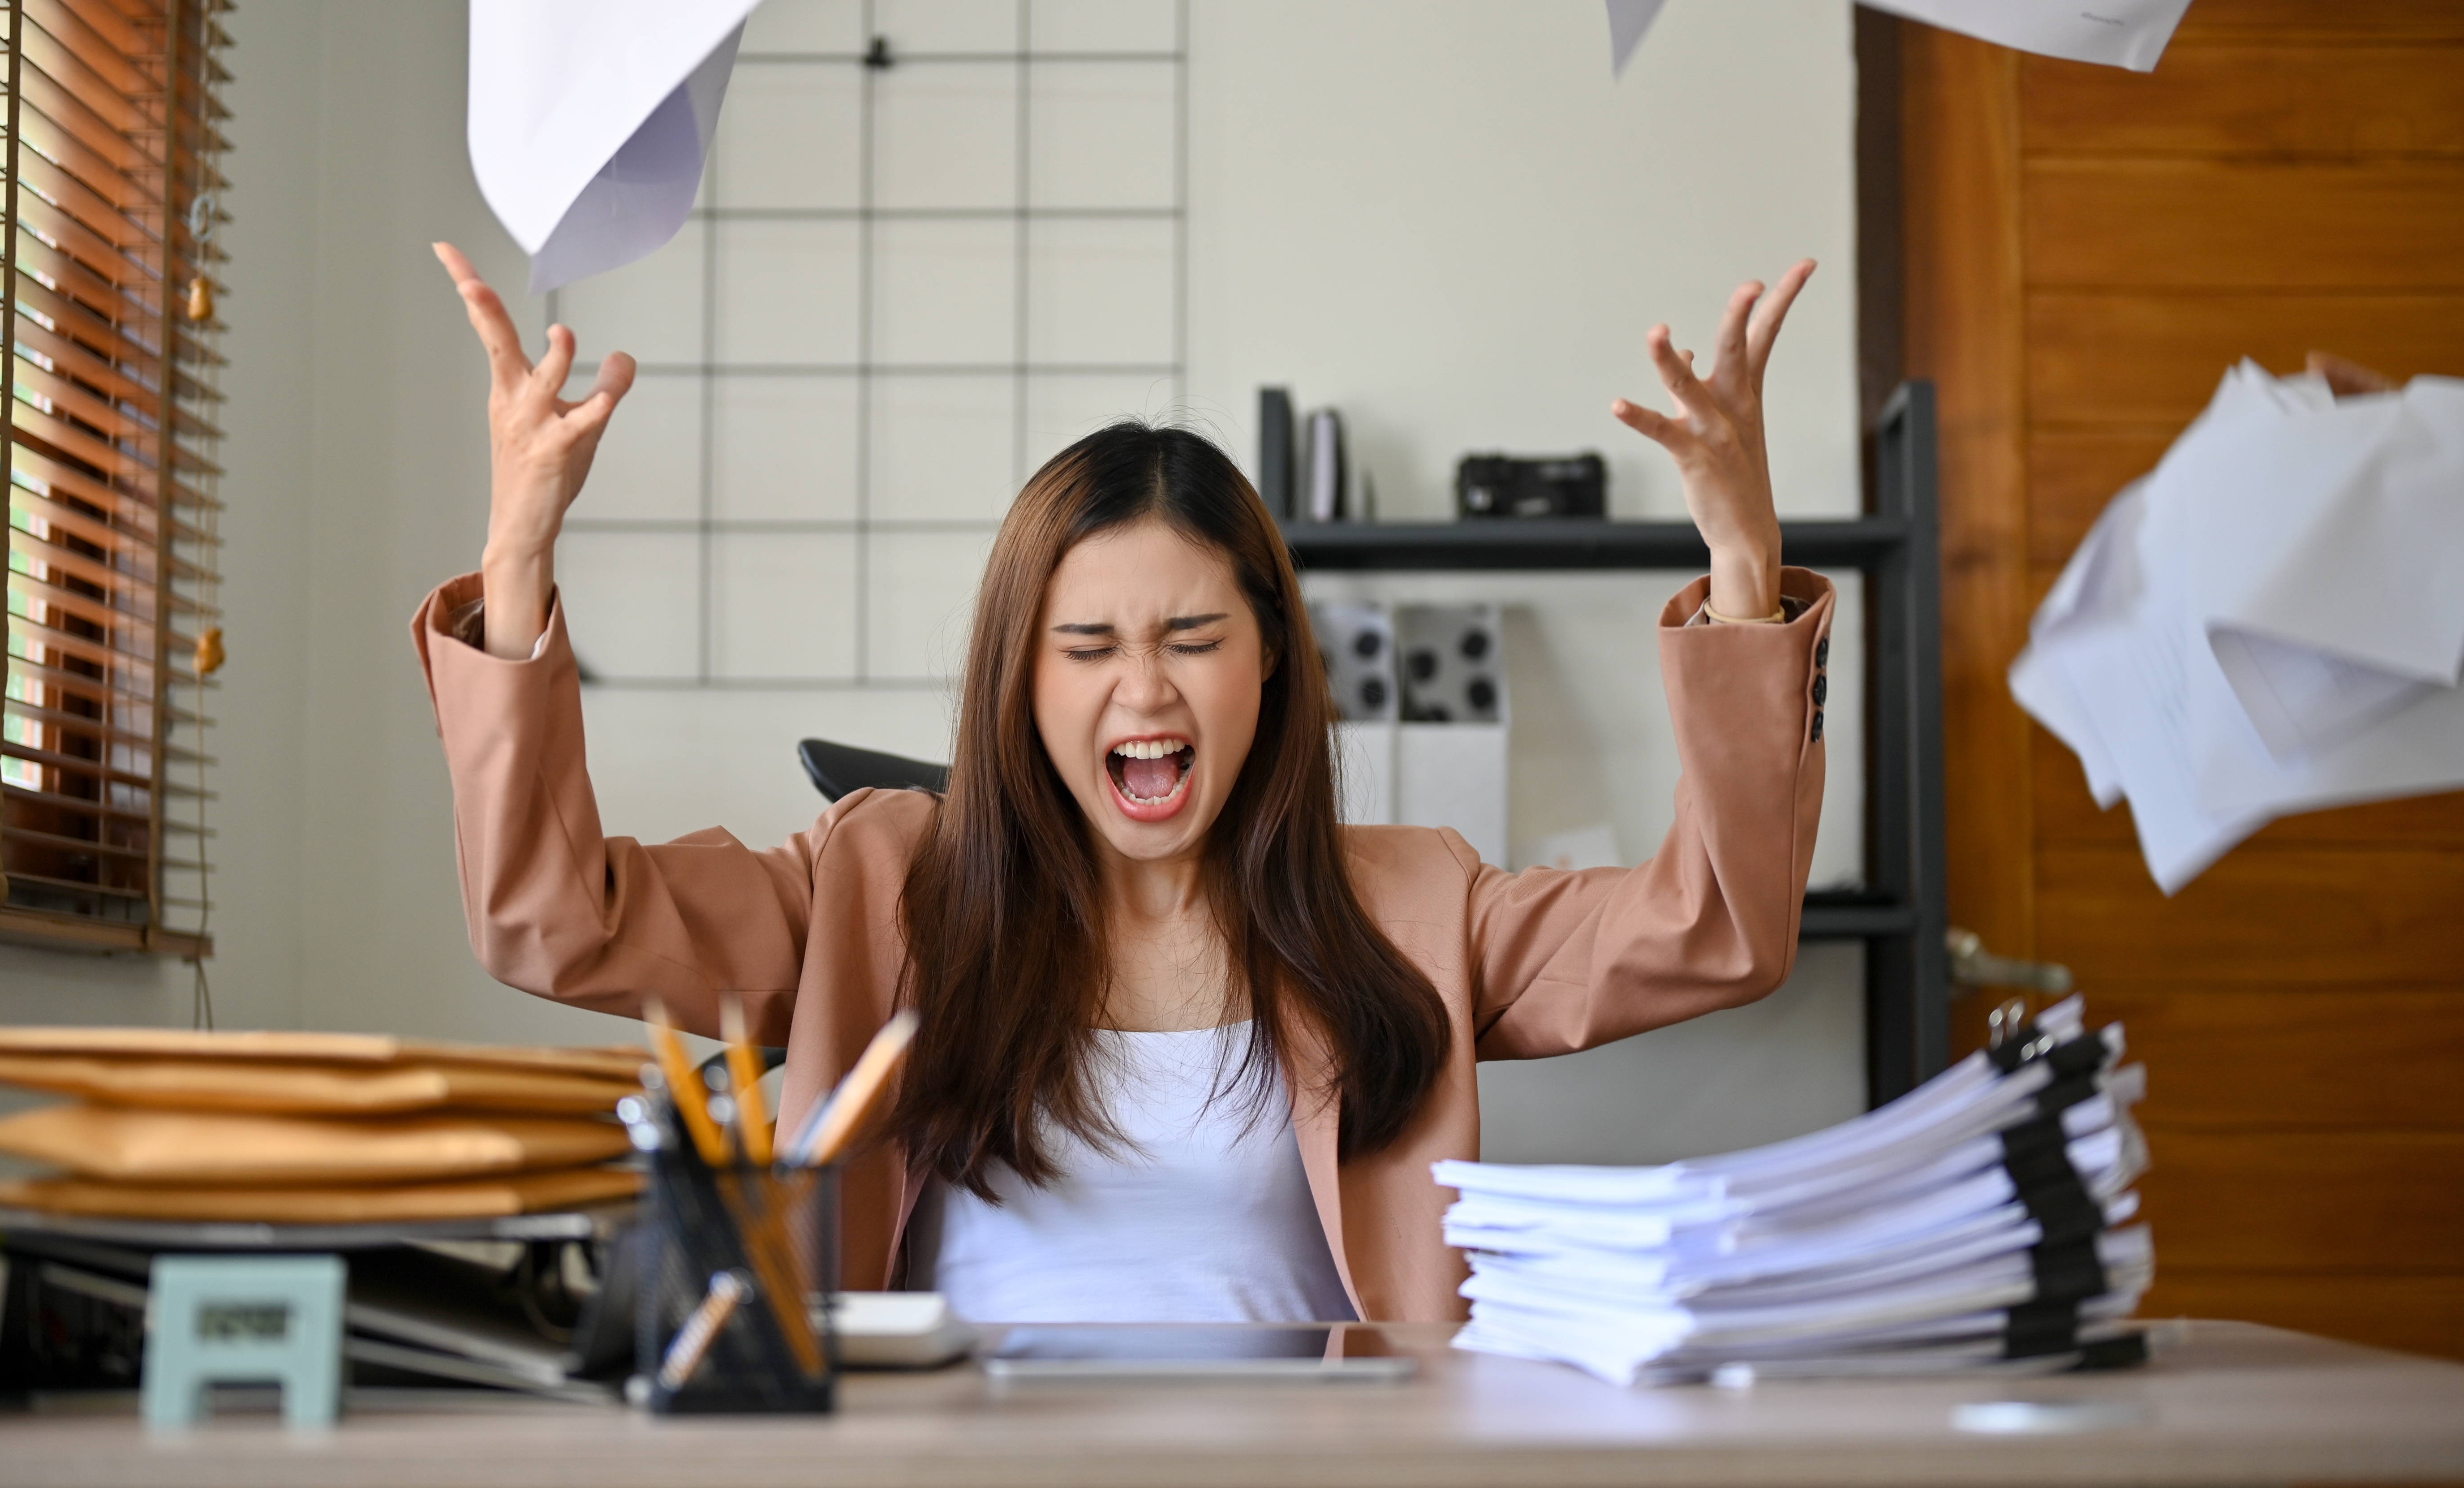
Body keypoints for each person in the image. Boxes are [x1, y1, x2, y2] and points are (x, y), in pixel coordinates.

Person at [415, 243, 1834, 1324]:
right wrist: (523, 558)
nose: (1142, 691)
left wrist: (1741, 573)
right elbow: (554, 918)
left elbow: (1715, 924)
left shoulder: (1407, 903)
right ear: (1019, 680)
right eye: (1085, 645)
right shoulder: (874, 881)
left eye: (1192, 638)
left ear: (1270, 657)